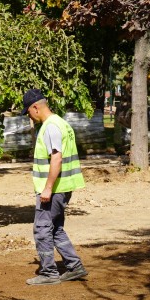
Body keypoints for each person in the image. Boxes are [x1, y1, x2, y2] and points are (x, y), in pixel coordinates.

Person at [23, 88, 88, 285]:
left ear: (35, 107)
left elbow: (56, 159)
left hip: (54, 189)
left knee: (42, 229)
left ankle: (49, 273)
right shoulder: (61, 123)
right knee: (56, 228)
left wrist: (48, 188)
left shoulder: (50, 126)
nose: (29, 116)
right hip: (64, 186)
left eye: (28, 111)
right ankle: (74, 266)